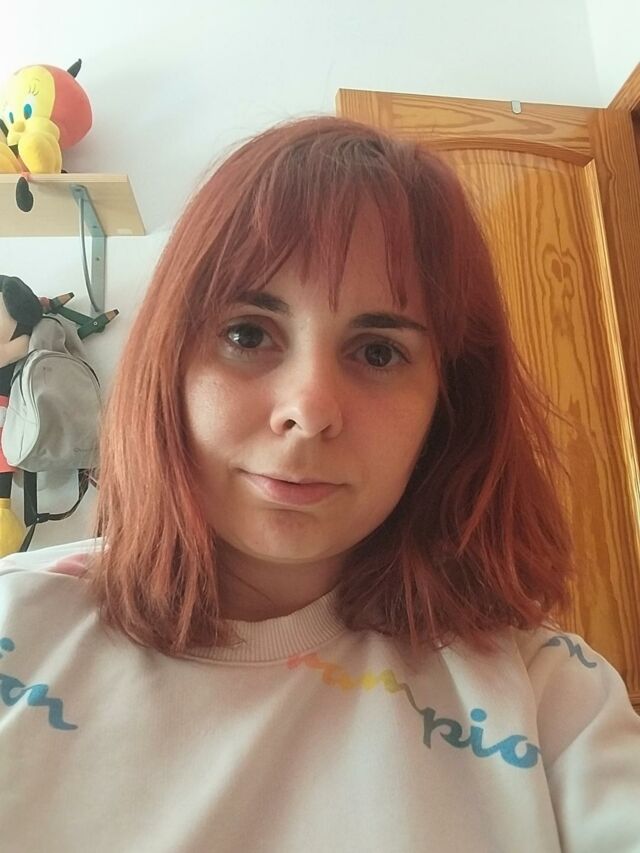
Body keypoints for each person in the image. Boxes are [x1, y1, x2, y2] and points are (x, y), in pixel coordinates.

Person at [1, 115, 639, 853]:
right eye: (247, 334)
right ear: (168, 365)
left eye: (378, 352)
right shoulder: (16, 625)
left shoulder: (554, 699)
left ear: (447, 404)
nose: (308, 410)